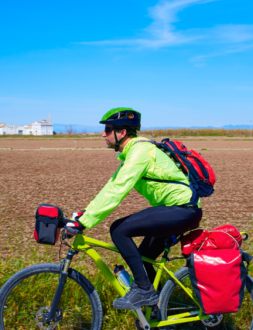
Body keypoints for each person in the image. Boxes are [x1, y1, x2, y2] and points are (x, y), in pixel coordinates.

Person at [63, 107, 203, 310]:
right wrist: (85, 214)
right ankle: (160, 313)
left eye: (108, 129)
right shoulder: (133, 153)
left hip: (183, 209)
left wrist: (84, 223)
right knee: (145, 260)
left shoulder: (140, 152)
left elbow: (118, 190)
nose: (103, 134)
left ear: (122, 133)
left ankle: (144, 291)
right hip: (178, 209)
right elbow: (111, 187)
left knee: (119, 230)